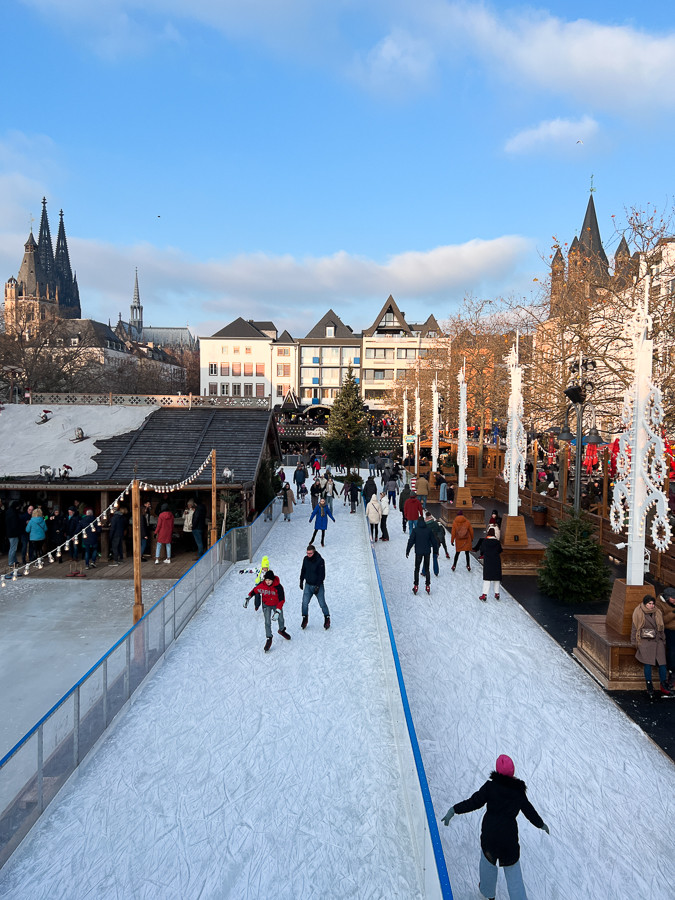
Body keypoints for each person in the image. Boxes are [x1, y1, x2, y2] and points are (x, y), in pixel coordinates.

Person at [441, 754, 548, 900]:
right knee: (513, 873)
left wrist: (454, 809)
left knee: (487, 865)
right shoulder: (518, 793)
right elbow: (529, 811)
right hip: (509, 839)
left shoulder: (490, 787)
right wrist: (540, 824)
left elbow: (474, 802)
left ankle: (488, 894)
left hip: (490, 836)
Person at [631, 595, 671, 698]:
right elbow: (635, 628)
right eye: (649, 604)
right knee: (647, 664)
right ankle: (649, 686)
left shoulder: (657, 612)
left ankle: (664, 685)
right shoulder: (638, 612)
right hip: (645, 642)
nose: (651, 605)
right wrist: (635, 643)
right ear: (645, 604)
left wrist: (663, 640)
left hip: (658, 641)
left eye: (653, 603)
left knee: (662, 664)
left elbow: (661, 628)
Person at [246, 569, 291, 652]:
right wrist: (248, 597)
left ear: (272, 580)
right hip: (266, 605)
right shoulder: (262, 585)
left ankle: (281, 630)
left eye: (269, 580)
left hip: (276, 604)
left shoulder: (278, 587)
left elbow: (282, 599)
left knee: (281, 618)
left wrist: (278, 611)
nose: (267, 582)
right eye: (266, 580)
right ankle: (269, 637)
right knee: (267, 622)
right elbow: (254, 590)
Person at [299, 544, 330, 630]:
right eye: (307, 553)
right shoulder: (305, 559)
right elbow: (303, 570)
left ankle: (327, 617)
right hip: (308, 585)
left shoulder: (320, 561)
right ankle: (305, 617)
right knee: (304, 603)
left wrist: (317, 586)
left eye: (310, 553)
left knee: (322, 603)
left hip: (318, 586)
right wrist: (301, 580)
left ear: (314, 552)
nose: (308, 555)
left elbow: (322, 575)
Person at [406, 514, 438, 594]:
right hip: (427, 552)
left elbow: (411, 541)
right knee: (427, 569)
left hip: (418, 552)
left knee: (417, 569)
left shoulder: (415, 530)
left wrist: (408, 550)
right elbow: (434, 541)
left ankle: (416, 585)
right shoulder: (428, 530)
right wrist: (435, 551)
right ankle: (427, 585)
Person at [474, 527, 503, 601]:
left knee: (487, 578)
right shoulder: (497, 542)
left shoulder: (485, 541)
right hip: (496, 561)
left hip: (488, 561)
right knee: (496, 578)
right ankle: (497, 593)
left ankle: (484, 594)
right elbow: (500, 550)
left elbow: (482, 549)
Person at [656, 588, 675, 689]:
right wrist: (673, 613)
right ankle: (671, 673)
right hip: (668, 631)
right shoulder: (659, 604)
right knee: (671, 651)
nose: (674, 600)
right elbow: (662, 620)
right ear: (667, 598)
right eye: (673, 598)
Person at [422, 512, 447, 578]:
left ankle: (424, 571)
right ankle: (436, 571)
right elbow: (439, 531)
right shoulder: (435, 523)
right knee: (435, 557)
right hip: (435, 541)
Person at [5, 500, 21, 569]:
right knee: (13, 548)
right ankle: (11, 562)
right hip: (13, 533)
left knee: (12, 547)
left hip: (9, 533)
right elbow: (15, 524)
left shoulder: (8, 512)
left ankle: (14, 561)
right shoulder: (14, 513)